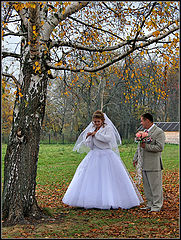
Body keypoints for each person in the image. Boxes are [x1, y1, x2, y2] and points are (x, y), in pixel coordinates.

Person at [62, 110, 143, 209]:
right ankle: (91, 200)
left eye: (98, 122)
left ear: (102, 120)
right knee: (91, 178)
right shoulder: (92, 128)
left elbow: (108, 139)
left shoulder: (107, 128)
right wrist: (88, 138)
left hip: (106, 154)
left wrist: (95, 134)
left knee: (107, 177)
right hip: (94, 154)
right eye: (94, 122)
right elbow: (90, 145)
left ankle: (111, 200)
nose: (96, 124)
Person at [133, 113, 165, 213]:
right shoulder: (144, 132)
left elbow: (160, 147)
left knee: (155, 186)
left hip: (154, 164)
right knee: (147, 187)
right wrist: (136, 158)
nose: (141, 123)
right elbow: (139, 146)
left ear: (148, 120)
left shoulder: (159, 132)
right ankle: (150, 204)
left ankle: (157, 205)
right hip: (144, 163)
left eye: (142, 121)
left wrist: (146, 147)